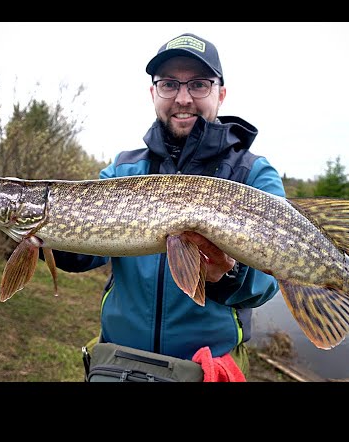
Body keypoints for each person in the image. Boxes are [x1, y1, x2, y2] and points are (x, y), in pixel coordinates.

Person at [47, 33, 286, 379]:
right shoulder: (123, 171)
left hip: (206, 370)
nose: (183, 98)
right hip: (117, 365)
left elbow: (270, 279)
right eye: (170, 84)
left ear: (221, 93)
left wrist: (228, 274)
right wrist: (36, 228)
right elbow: (84, 253)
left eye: (199, 84)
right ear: (153, 92)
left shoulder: (252, 173)